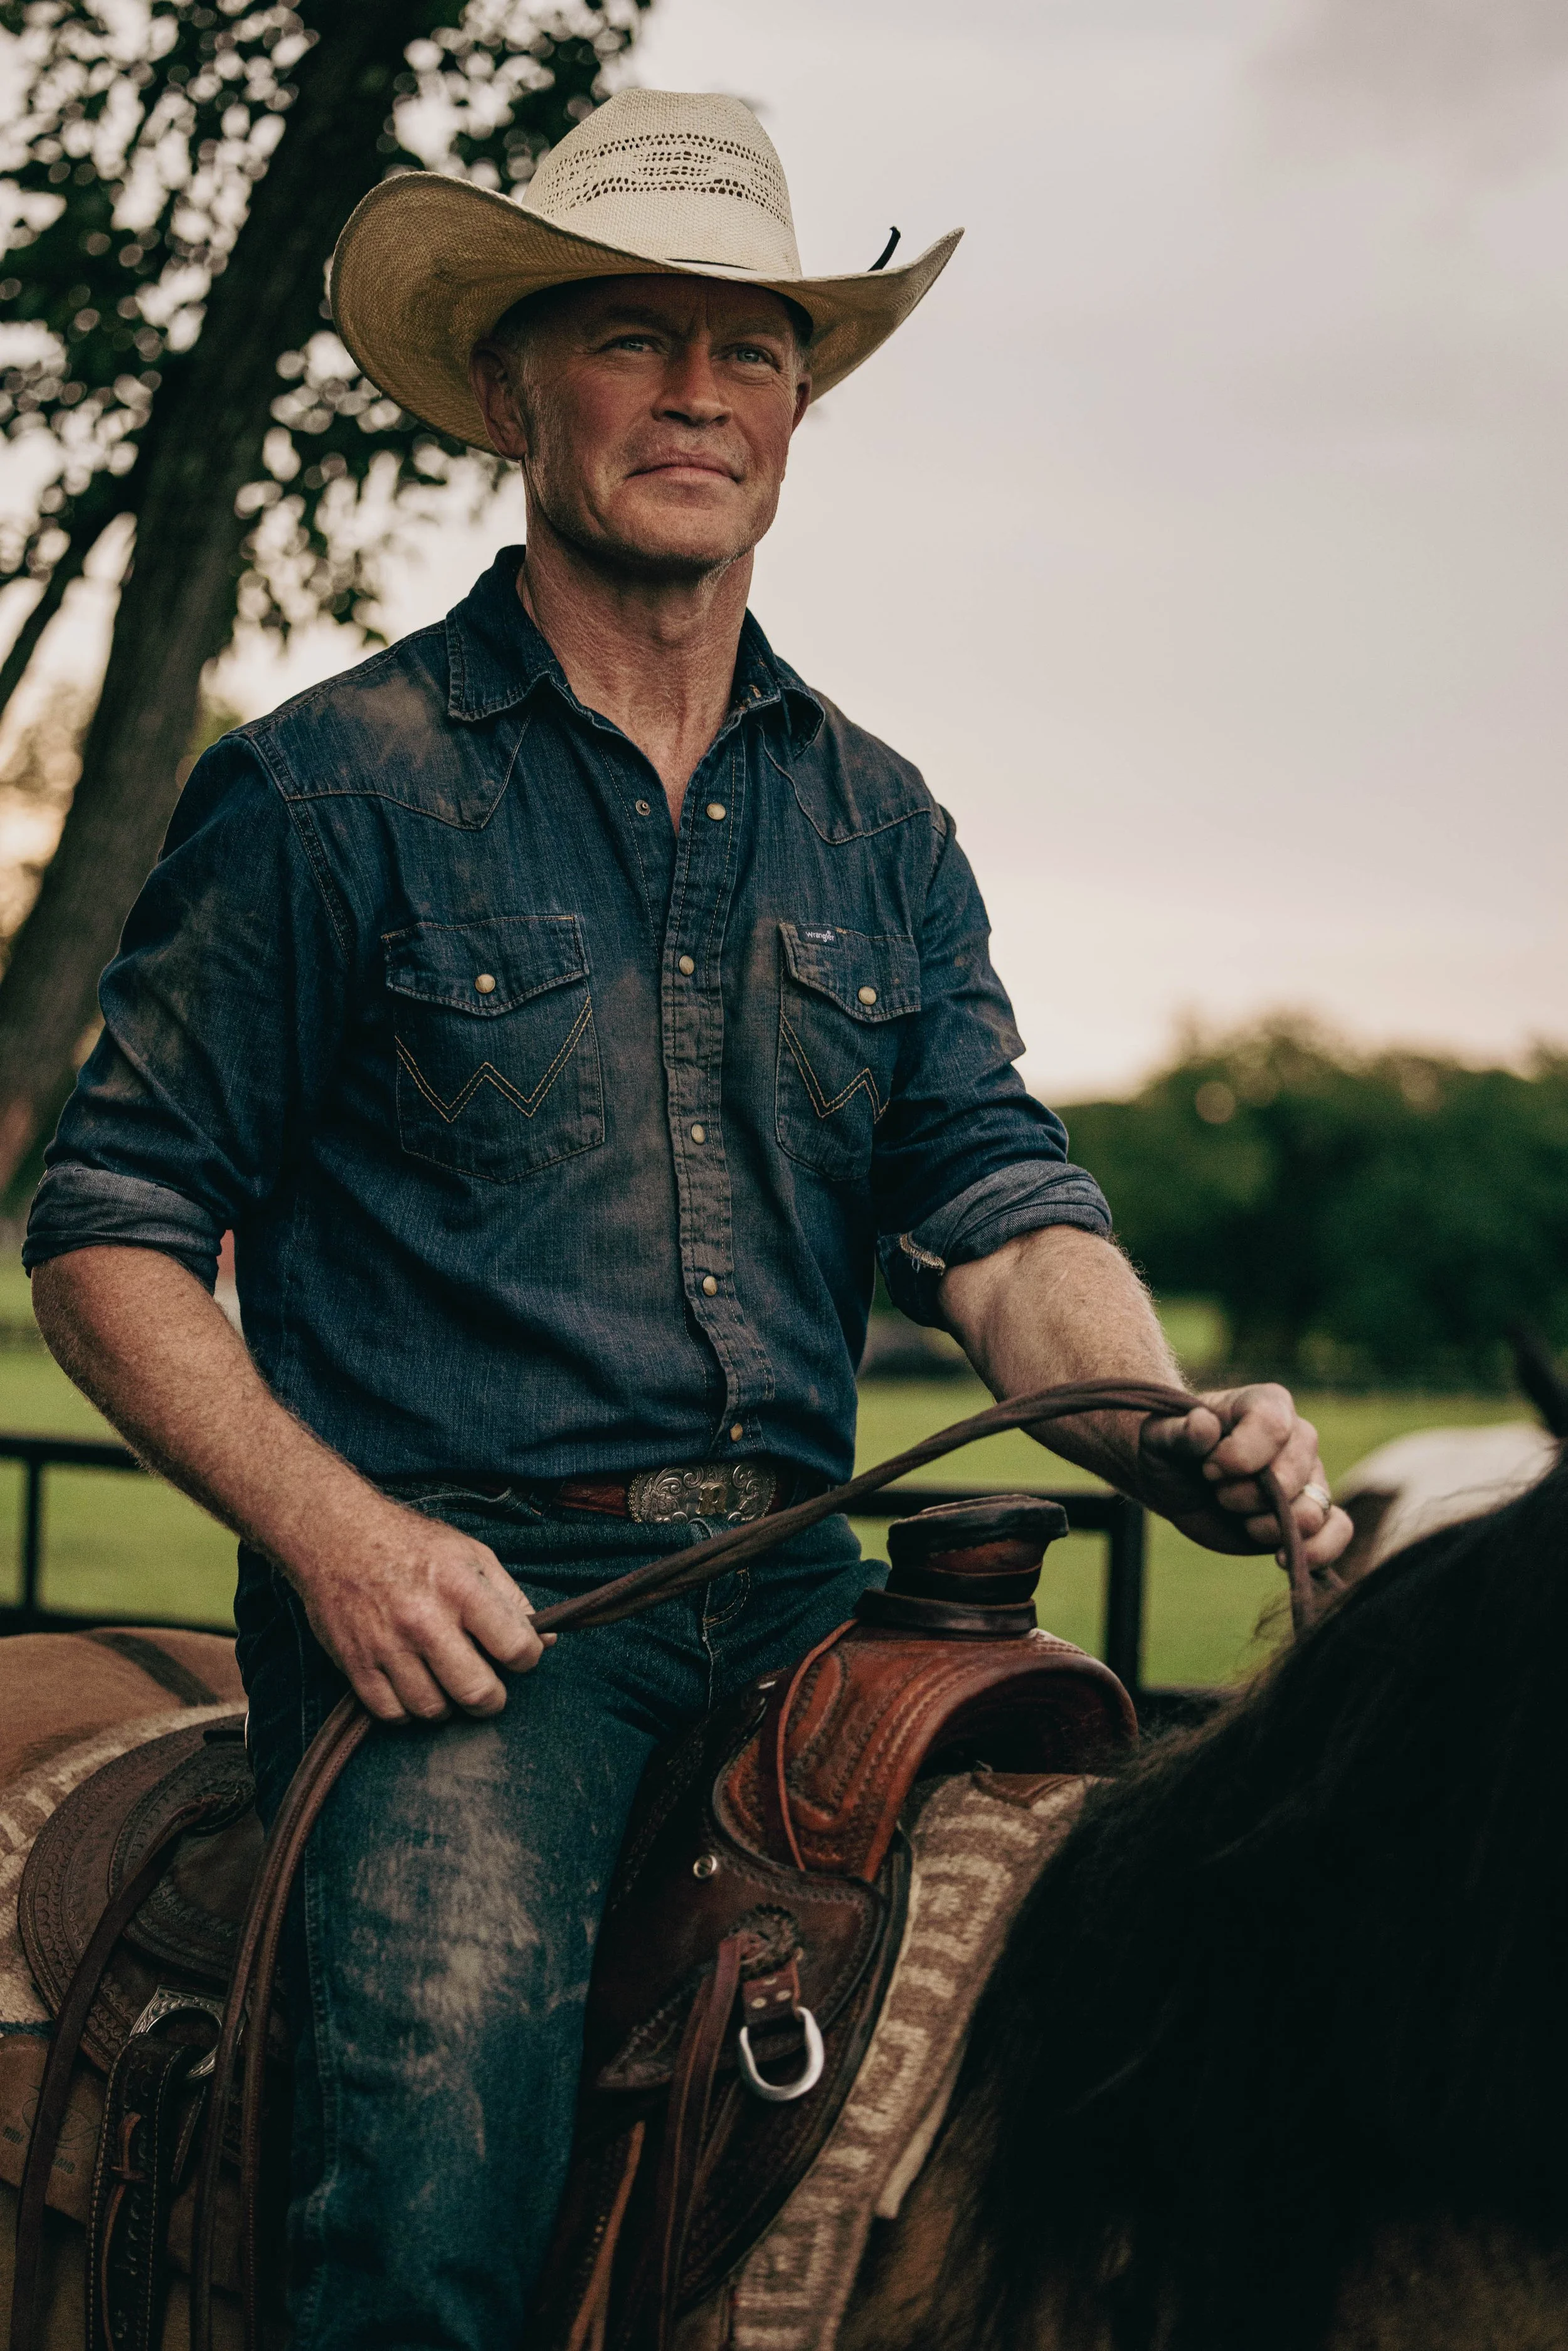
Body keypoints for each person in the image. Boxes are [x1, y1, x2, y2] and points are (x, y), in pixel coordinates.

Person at [23, 90, 1350, 2350]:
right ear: (516, 390)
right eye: (631, 340)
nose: (696, 394)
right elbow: (110, 1233)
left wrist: (1156, 1420)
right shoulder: (332, 788)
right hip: (472, 1632)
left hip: (818, 1603)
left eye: (748, 352)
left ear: (798, 409)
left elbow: (1001, 1207)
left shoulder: (878, 821)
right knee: (428, 2199)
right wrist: (340, 1544)